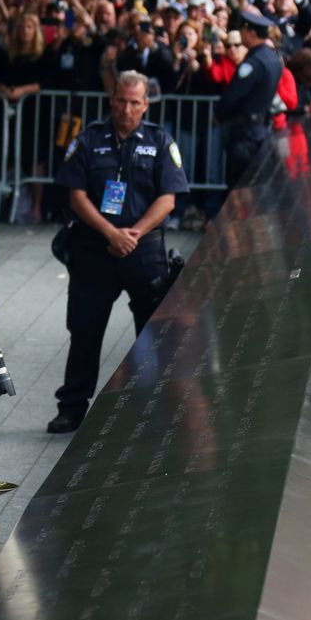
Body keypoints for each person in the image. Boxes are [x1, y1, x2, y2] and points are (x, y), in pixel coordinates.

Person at [46, 70, 189, 434]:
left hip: (144, 251)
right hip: (95, 249)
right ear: (112, 99)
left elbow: (168, 198)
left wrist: (134, 233)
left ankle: (156, 406)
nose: (127, 109)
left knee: (154, 332)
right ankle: (72, 407)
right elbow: (75, 194)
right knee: (85, 329)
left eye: (135, 103)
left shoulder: (159, 141)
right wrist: (111, 232)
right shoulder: (89, 140)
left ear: (145, 104)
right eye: (121, 101)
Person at [216, 10, 284, 189]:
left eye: (244, 31)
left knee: (239, 186)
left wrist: (219, 114)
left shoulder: (253, 62)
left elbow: (232, 96)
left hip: (244, 132)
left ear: (251, 33)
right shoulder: (273, 58)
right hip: (260, 128)